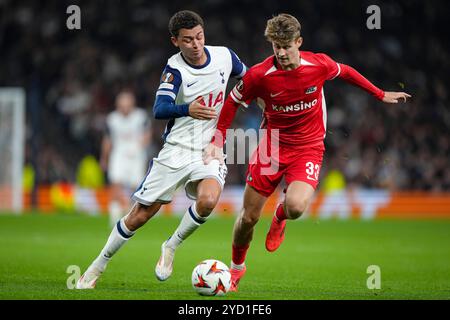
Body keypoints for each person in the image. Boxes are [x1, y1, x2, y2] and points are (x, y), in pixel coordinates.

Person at [203, 13, 411, 292]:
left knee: (297, 207)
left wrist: (379, 94)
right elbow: (232, 102)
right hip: (272, 147)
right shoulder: (259, 75)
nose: (281, 52)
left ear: (298, 42)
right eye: (276, 46)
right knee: (249, 217)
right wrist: (217, 141)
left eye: (286, 46)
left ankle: (280, 216)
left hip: (308, 148)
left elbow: (346, 71)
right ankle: (237, 268)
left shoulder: (318, 64)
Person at [76, 10, 246, 289]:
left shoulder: (225, 57)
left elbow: (249, 79)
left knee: (208, 200)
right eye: (188, 40)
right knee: (140, 215)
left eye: (200, 36)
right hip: (176, 150)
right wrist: (187, 108)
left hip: (208, 149)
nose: (196, 44)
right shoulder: (175, 69)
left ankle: (171, 245)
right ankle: (97, 266)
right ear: (175, 41)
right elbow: (159, 109)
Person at [100, 90, 152, 227]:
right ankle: (114, 217)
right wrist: (104, 158)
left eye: (127, 103)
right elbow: (107, 140)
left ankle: (130, 218)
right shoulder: (112, 119)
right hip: (118, 155)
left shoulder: (140, 116)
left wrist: (138, 147)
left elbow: (147, 135)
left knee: (136, 188)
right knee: (116, 184)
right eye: (122, 104)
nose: (124, 107)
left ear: (132, 103)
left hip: (136, 155)